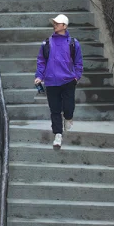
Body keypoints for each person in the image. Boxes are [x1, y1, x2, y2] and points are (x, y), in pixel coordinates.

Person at [34, 13, 83, 149]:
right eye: (54, 23)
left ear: (65, 26)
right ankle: (57, 135)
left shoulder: (73, 43)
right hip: (51, 81)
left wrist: (76, 76)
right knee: (54, 109)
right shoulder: (47, 43)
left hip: (68, 80)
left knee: (68, 107)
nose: (55, 25)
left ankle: (68, 118)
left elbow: (78, 62)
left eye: (57, 23)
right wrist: (39, 76)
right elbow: (41, 61)